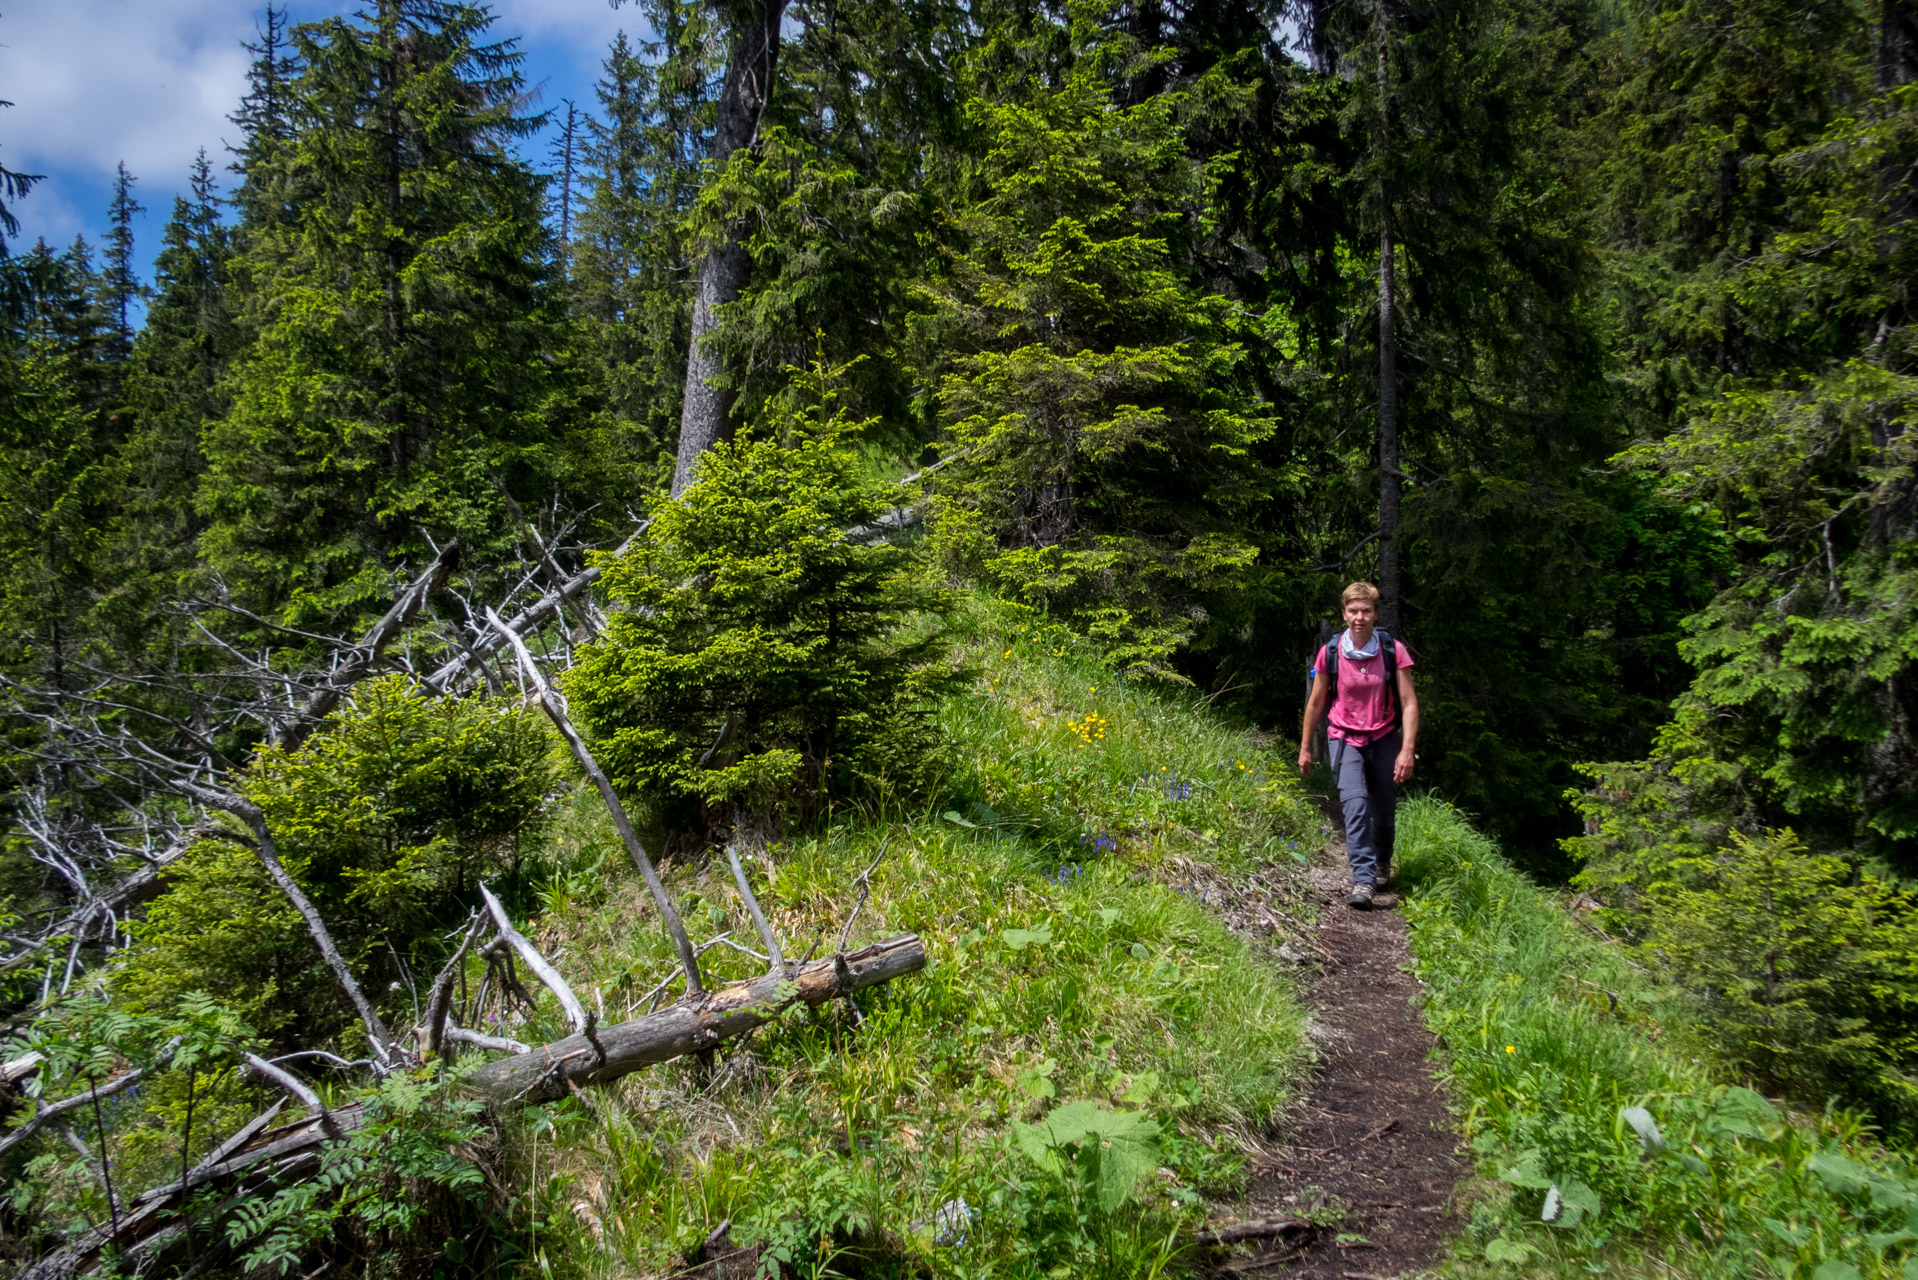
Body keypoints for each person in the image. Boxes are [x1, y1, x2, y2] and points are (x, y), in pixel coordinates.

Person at [1296, 582, 1420, 909]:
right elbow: (1315, 704)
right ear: (1344, 613)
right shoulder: (1331, 653)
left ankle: (1382, 861)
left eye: (1366, 611)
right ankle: (1363, 879)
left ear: (1376, 614)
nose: (1359, 617)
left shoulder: (1393, 651)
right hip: (1344, 737)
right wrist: (1305, 747)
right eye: (1353, 610)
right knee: (1355, 804)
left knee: (1383, 810)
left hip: (1383, 738)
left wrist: (1407, 750)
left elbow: (1408, 704)